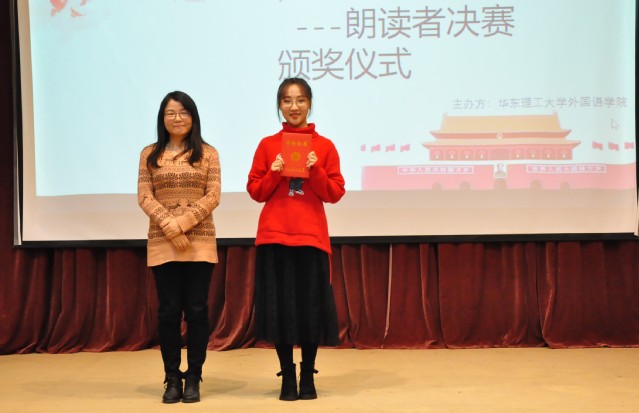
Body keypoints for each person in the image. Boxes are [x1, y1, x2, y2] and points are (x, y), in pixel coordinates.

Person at [246, 78, 346, 401]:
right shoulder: (267, 145)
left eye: (300, 100)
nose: (294, 106)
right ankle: (287, 376)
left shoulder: (324, 146)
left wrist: (316, 171)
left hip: (311, 239)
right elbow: (255, 191)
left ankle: (308, 375)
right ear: (279, 105)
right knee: (280, 310)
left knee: (310, 310)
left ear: (309, 104)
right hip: (275, 238)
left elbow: (335, 193)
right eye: (287, 100)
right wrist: (274, 172)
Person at [137, 91, 221, 403]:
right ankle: (172, 377)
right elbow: (145, 196)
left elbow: (213, 195)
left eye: (184, 112)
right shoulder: (150, 154)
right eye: (170, 113)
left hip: (199, 241)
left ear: (193, 117)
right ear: (162, 118)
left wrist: (182, 224)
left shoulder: (208, 153)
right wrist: (169, 226)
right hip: (163, 242)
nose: (177, 118)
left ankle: (194, 376)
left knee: (197, 310)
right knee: (169, 311)